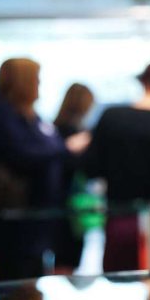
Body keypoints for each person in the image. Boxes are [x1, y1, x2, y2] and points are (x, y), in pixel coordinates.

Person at [0, 58, 85, 281]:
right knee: (17, 286)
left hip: (35, 218)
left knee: (32, 283)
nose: (38, 85)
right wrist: (65, 147)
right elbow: (23, 155)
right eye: (35, 80)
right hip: (13, 220)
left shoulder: (29, 116)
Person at [82, 62, 150, 272]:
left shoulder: (112, 117)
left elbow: (91, 167)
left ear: (143, 82)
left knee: (121, 290)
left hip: (122, 220)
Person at [52, 83, 95, 274]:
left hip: (62, 201)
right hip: (67, 203)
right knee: (66, 257)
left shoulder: (53, 129)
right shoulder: (70, 134)